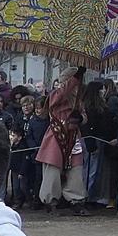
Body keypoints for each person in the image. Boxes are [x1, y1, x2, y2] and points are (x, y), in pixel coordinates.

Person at [38, 66, 87, 211]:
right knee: (52, 170)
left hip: (73, 136)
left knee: (76, 170)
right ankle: (50, 200)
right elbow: (62, 93)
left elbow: (84, 116)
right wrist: (76, 77)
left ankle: (75, 200)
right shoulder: (56, 94)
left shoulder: (77, 99)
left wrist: (80, 118)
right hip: (56, 135)